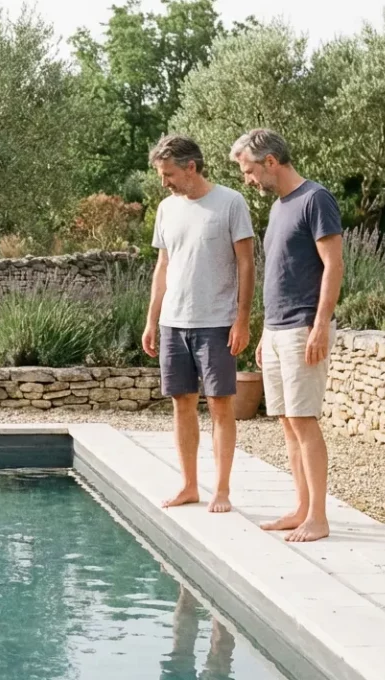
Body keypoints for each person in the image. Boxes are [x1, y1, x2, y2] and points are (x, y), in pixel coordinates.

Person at [229, 129, 344, 543]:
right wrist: (263, 331)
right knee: (286, 422)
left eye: (249, 171)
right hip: (277, 330)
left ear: (271, 161)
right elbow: (280, 275)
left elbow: (333, 265)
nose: (249, 180)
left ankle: (319, 517)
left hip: (302, 328)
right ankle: (301, 507)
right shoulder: (280, 207)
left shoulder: (316, 199)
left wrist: (319, 325)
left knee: (303, 420)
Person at [142, 135, 256, 514]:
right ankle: (189, 486)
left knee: (221, 406)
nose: (165, 182)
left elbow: (246, 264)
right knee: (182, 404)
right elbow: (163, 266)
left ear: (191, 167)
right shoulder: (166, 208)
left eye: (169, 174)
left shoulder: (230, 202)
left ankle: (221, 490)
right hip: (174, 323)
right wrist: (151, 319)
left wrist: (242, 318)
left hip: (217, 324)